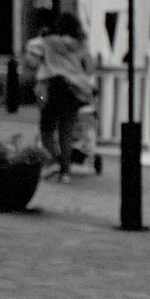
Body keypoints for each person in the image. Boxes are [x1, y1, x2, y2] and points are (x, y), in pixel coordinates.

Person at [34, 12, 96, 180]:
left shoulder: (49, 42)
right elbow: (90, 68)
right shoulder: (82, 45)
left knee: (46, 128)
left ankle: (52, 163)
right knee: (66, 132)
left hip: (53, 87)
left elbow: (32, 51)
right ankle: (65, 172)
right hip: (73, 91)